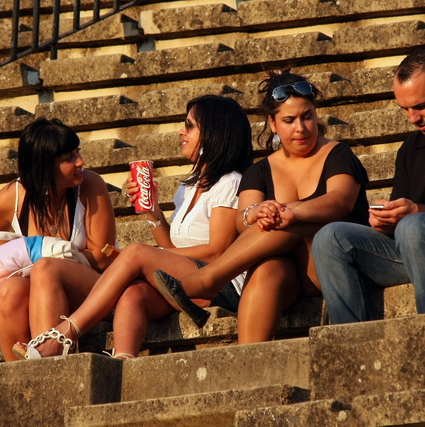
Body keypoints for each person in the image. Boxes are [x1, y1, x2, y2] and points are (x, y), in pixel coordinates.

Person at [12, 95, 254, 359]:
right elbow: (174, 248)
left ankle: (64, 334)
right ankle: (122, 360)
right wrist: (153, 210)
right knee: (133, 293)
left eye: (190, 126)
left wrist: (149, 255)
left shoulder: (231, 183)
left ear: (214, 134)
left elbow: (216, 251)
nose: (181, 132)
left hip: (222, 283)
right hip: (183, 280)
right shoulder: (188, 187)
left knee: (136, 252)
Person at [151, 71, 370, 343]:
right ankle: (248, 361)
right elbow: (242, 222)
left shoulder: (337, 154)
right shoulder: (260, 170)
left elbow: (340, 201)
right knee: (266, 270)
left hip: (334, 261)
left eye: (307, 116)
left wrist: (289, 212)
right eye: (289, 120)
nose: (300, 128)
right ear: (273, 124)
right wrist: (255, 212)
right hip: (292, 274)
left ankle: (210, 278)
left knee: (287, 220)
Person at [312, 49, 425, 324]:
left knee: (416, 226)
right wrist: (385, 219)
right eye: (405, 109)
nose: (413, 118)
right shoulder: (409, 149)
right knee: (330, 237)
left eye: (421, 106)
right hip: (415, 251)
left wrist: (418, 213)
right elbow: (403, 220)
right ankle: (351, 348)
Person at [0, 118, 117, 361]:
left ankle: (50, 364)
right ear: (43, 167)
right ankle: (20, 376)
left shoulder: (90, 185)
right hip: (41, 293)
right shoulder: (8, 201)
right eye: (69, 158)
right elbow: (1, 257)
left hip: (96, 288)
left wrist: (51, 263)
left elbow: (103, 255)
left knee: (45, 268)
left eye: (78, 152)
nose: (80, 162)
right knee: (10, 289)